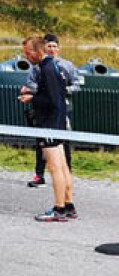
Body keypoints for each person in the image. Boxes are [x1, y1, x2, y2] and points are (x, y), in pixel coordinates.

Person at [18, 35, 76, 222]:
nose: (26, 57)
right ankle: (69, 205)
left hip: (49, 124)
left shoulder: (47, 69)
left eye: (28, 53)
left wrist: (32, 98)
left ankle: (59, 208)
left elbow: (51, 100)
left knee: (55, 167)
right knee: (63, 165)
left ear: (37, 51)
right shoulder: (52, 67)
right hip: (57, 123)